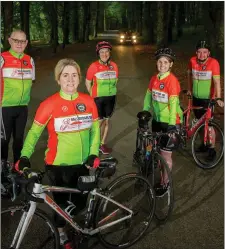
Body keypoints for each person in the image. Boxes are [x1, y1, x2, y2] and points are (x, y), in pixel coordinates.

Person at [15, 59, 100, 249]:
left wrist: (93, 153)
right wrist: (24, 156)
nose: (70, 79)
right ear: (58, 79)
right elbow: (34, 133)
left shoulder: (88, 101)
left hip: (84, 164)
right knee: (60, 207)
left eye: (74, 75)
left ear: (79, 78)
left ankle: (73, 225)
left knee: (79, 204)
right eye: (65, 75)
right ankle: (61, 234)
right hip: (58, 165)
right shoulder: (49, 104)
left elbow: (95, 131)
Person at [142, 48, 183, 196]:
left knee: (166, 156)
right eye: (160, 61)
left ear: (170, 64)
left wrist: (172, 124)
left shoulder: (172, 81)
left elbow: (173, 105)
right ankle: (155, 172)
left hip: (170, 122)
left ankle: (165, 185)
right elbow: (148, 96)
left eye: (166, 62)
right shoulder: (154, 79)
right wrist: (145, 112)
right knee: (154, 148)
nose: (162, 64)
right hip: (157, 121)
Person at [1, 30, 35, 163]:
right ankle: (2, 170)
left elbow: (31, 81)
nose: (19, 44)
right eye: (16, 40)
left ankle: (17, 167)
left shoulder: (29, 60)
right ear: (10, 41)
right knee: (4, 140)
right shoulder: (3, 58)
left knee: (19, 140)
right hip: (5, 107)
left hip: (22, 108)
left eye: (22, 41)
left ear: (26, 43)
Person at [187, 40, 224, 160]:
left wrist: (218, 97)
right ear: (196, 52)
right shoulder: (192, 61)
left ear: (209, 53)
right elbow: (189, 76)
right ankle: (204, 144)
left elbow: (217, 82)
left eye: (205, 52)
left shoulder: (214, 63)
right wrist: (189, 90)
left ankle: (211, 149)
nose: (202, 55)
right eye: (199, 52)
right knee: (199, 123)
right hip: (196, 99)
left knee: (209, 125)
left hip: (208, 100)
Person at [85, 41, 119, 155]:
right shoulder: (93, 66)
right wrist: (91, 96)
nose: (104, 54)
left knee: (106, 121)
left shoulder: (114, 66)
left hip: (111, 98)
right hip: (98, 98)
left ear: (110, 53)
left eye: (107, 52)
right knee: (98, 122)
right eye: (102, 52)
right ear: (98, 54)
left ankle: (102, 144)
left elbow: (116, 80)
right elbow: (88, 82)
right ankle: (92, 144)